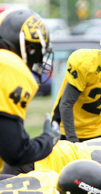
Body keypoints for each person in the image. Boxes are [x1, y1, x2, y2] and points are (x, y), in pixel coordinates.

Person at [0, 8, 60, 173]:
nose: (40, 58)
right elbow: (15, 152)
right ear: (27, 47)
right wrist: (48, 139)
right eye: (36, 49)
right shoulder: (9, 65)